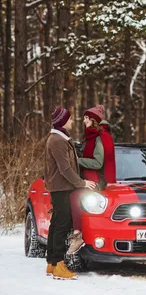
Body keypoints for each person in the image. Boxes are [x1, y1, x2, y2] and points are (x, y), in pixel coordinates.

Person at [44, 108, 94, 280]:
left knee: (56, 223)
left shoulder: (59, 137)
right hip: (61, 188)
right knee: (62, 225)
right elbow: (65, 168)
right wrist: (82, 183)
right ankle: (59, 264)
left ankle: (51, 263)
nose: (72, 121)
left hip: (60, 187)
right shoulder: (57, 140)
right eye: (70, 119)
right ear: (62, 121)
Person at [68, 104, 116, 254]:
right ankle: (73, 233)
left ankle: (78, 235)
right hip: (88, 178)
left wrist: (77, 160)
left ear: (93, 120)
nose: (84, 121)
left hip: (97, 180)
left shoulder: (100, 138)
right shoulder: (91, 136)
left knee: (76, 196)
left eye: (86, 118)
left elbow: (97, 162)